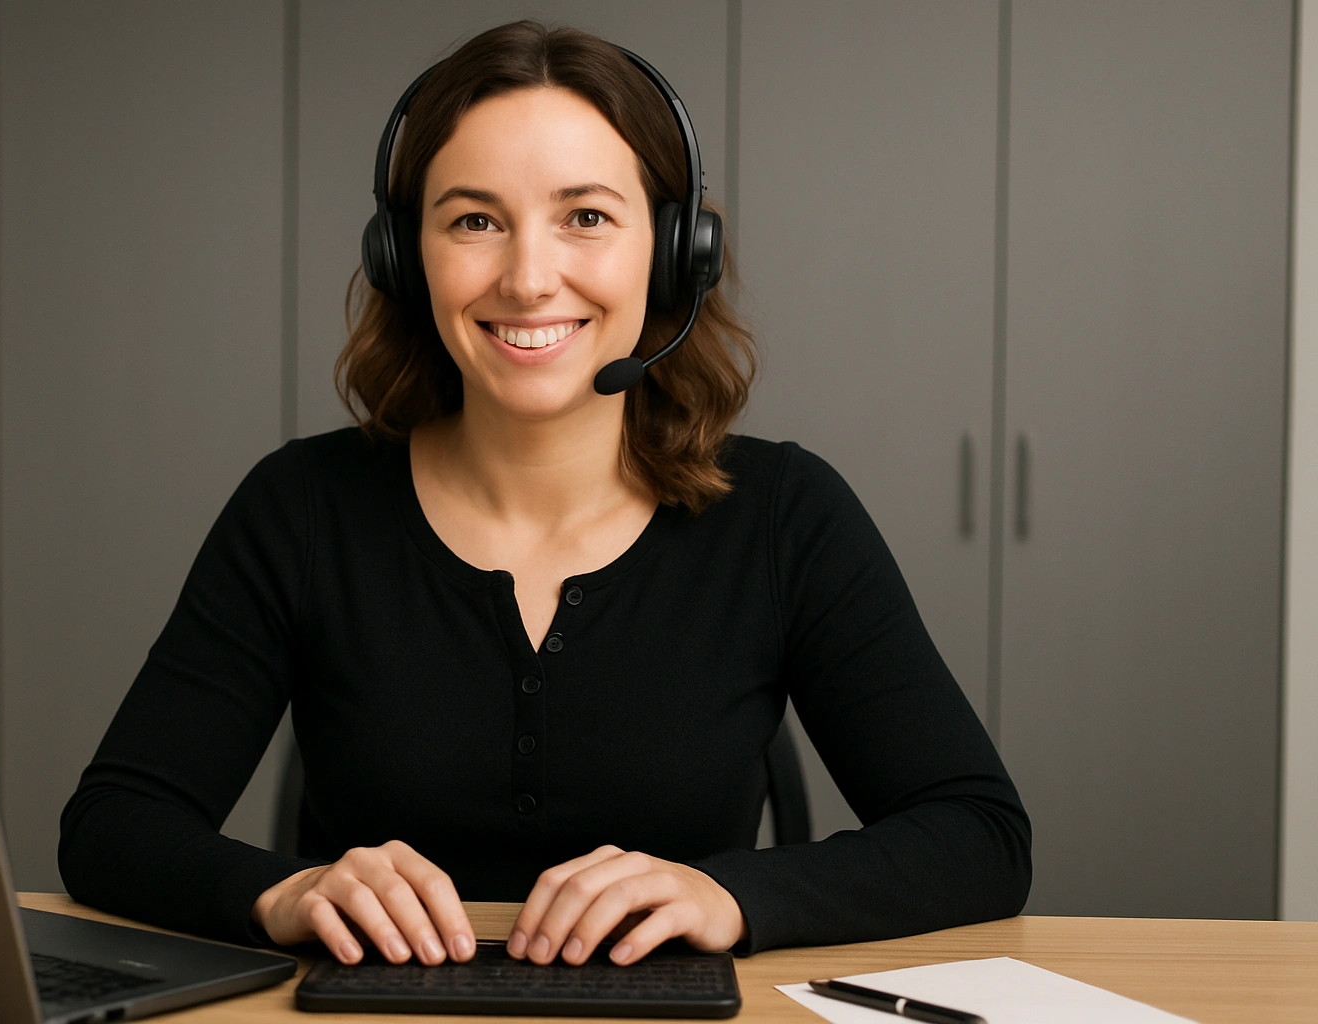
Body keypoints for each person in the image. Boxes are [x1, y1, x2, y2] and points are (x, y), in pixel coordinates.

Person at [58, 20, 1030, 970]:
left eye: (587, 217)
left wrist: (734, 893)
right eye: (475, 220)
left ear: (674, 252)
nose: (528, 278)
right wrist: (279, 893)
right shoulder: (301, 509)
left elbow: (979, 833)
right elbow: (112, 824)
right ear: (407, 256)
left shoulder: (783, 513)